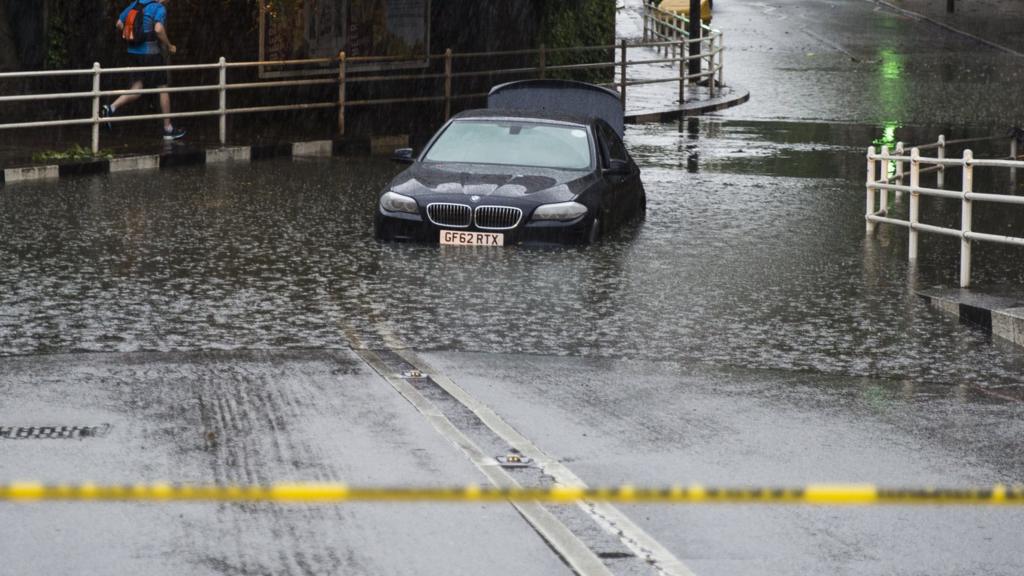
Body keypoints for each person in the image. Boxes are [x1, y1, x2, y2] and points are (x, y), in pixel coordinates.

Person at [101, 0, 185, 140]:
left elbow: (119, 24)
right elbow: (158, 29)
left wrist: (134, 37)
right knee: (163, 89)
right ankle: (168, 129)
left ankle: (111, 108)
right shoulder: (159, 8)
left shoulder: (136, 4)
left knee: (137, 88)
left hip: (133, 53)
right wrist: (169, 45)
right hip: (151, 54)